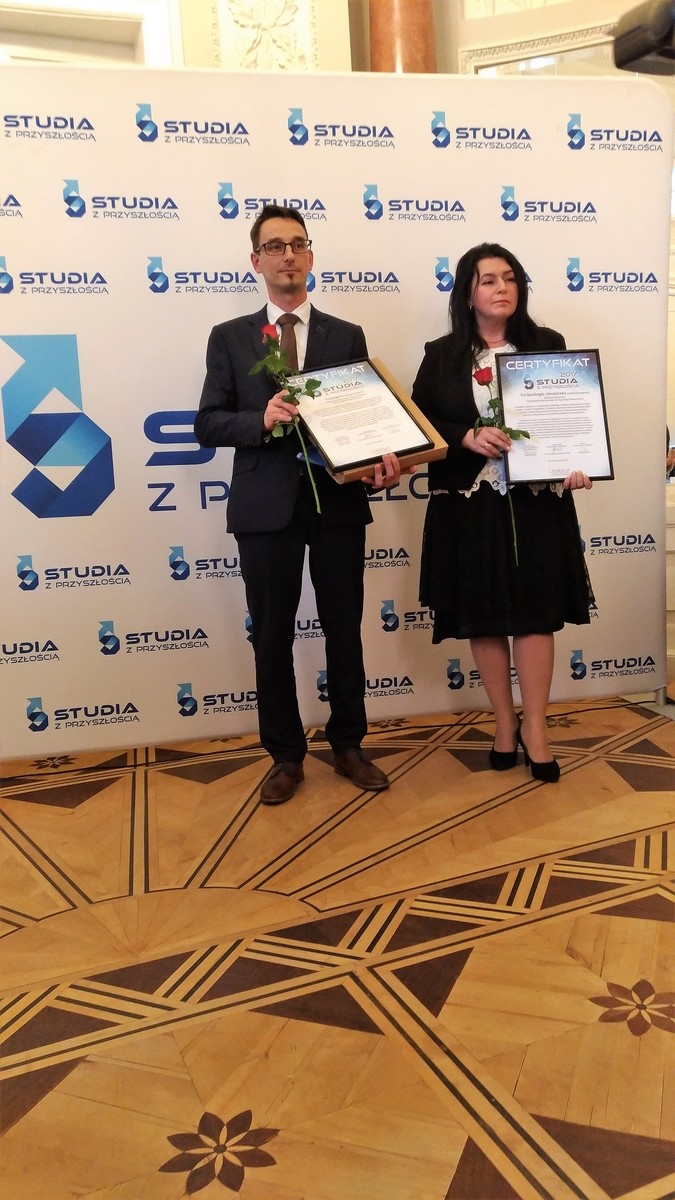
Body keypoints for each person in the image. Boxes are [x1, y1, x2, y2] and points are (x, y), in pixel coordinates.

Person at [195, 204, 400, 804]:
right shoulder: (230, 337)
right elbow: (208, 423)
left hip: (337, 502)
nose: (288, 255)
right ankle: (285, 755)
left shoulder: (347, 335)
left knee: (344, 628)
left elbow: (366, 416)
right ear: (256, 260)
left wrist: (382, 460)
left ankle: (349, 744)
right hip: (264, 507)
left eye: (298, 244)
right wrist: (259, 419)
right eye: (275, 246)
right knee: (271, 635)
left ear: (310, 256)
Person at [411, 242, 594, 784]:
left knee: (536, 613)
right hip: (470, 505)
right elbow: (419, 426)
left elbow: (569, 418)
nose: (502, 288)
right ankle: (504, 723)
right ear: (467, 293)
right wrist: (465, 436)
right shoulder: (441, 354)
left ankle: (536, 727)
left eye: (510, 278)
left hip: (536, 503)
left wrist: (577, 463)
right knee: (484, 614)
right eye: (488, 279)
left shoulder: (548, 344)